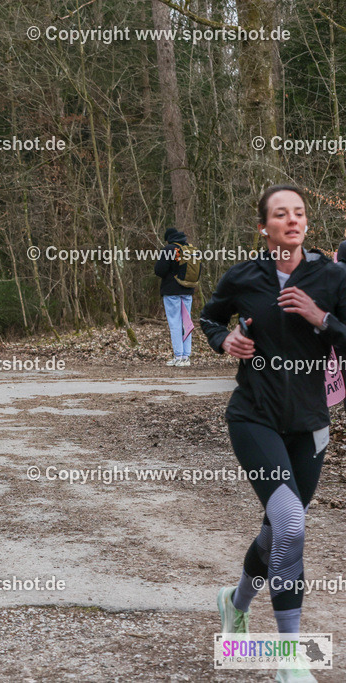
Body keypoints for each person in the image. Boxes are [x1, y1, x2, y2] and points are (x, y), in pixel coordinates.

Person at [201, 186, 346, 683]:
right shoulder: (243, 276)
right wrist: (227, 341)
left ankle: (234, 603)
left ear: (307, 223)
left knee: (275, 531)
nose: (292, 220)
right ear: (263, 226)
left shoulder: (332, 276)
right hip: (254, 418)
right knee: (290, 525)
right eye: (280, 214)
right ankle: (290, 658)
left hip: (310, 427)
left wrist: (321, 318)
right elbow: (208, 318)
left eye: (299, 213)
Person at [155, 227, 195, 367]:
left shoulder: (169, 249)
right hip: (188, 290)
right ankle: (186, 356)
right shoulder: (189, 248)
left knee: (175, 324)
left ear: (169, 238)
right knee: (187, 324)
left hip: (172, 292)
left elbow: (159, 271)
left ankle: (178, 356)